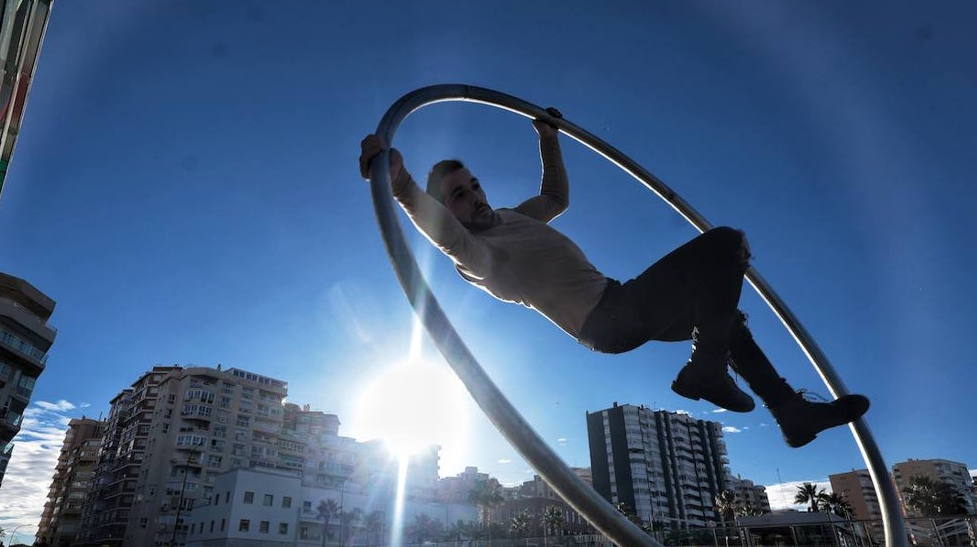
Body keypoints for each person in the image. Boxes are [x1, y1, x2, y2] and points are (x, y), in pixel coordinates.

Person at [358, 109, 869, 448]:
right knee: (723, 242)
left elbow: (556, 198)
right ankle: (707, 370)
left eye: (474, 185)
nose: (475, 197)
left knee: (724, 314)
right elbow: (443, 233)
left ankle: (789, 412)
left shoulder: (517, 218)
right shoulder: (476, 254)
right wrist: (398, 181)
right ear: (450, 210)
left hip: (623, 303)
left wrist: (548, 139)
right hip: (607, 322)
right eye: (460, 196)